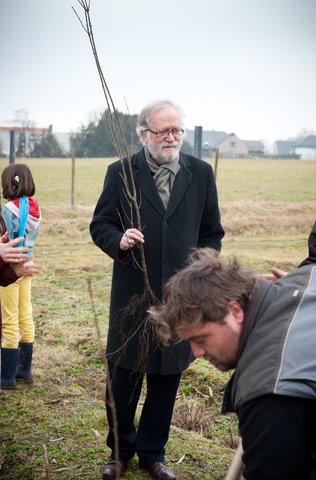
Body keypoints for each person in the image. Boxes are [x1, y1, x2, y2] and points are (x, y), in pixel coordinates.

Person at [90, 99, 224, 480]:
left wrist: (200, 271)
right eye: (163, 130)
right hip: (133, 294)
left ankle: (153, 454)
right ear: (143, 134)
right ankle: (119, 452)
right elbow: (99, 224)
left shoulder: (200, 172)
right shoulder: (121, 173)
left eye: (177, 130)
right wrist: (119, 240)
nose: (171, 137)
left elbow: (212, 232)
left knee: (166, 377)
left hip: (180, 299)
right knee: (123, 377)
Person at [150, 247, 316, 480]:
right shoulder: (308, 276)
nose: (197, 353)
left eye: (201, 339)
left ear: (235, 310)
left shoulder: (268, 391)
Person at [0, 164, 41, 389]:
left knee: (9, 319)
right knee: (26, 315)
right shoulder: (35, 207)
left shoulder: (6, 210)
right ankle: (24, 371)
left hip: (9, 268)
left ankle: (6, 377)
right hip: (28, 264)